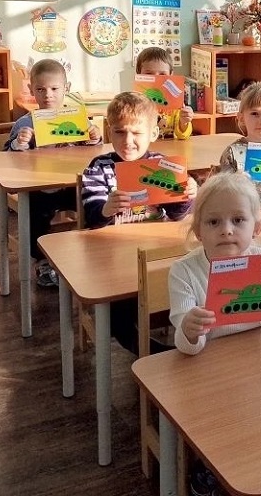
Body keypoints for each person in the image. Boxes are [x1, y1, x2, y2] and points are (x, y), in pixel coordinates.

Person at [168, 171, 261, 496]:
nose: (227, 230)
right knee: (215, 421)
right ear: (198, 231)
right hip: (205, 373)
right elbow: (187, 346)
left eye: (238, 220)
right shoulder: (184, 272)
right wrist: (189, 329)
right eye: (213, 222)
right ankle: (208, 466)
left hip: (257, 365)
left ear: (256, 228)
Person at [80, 91, 198, 354]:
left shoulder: (161, 165)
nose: (128, 141)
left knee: (187, 280)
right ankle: (149, 352)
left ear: (153, 134)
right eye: (120, 132)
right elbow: (92, 217)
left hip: (155, 251)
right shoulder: (99, 167)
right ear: (109, 132)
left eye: (136, 133)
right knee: (119, 314)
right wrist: (105, 209)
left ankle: (189, 336)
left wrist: (187, 194)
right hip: (112, 257)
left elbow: (178, 215)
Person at [4, 58, 102, 287]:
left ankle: (91, 253)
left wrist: (94, 137)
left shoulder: (77, 118)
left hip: (72, 185)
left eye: (54, 89)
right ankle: (42, 261)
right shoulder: (25, 122)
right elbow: (6, 156)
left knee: (97, 205)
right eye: (41, 89)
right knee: (35, 217)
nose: (48, 95)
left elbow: (94, 150)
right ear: (32, 90)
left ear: (66, 88)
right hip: (40, 189)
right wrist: (20, 143)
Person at [135, 46, 195, 140]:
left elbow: (182, 136)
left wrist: (184, 121)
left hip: (170, 147)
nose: (157, 79)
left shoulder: (176, 104)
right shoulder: (133, 103)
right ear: (138, 74)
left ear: (171, 75)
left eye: (162, 74)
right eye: (149, 74)